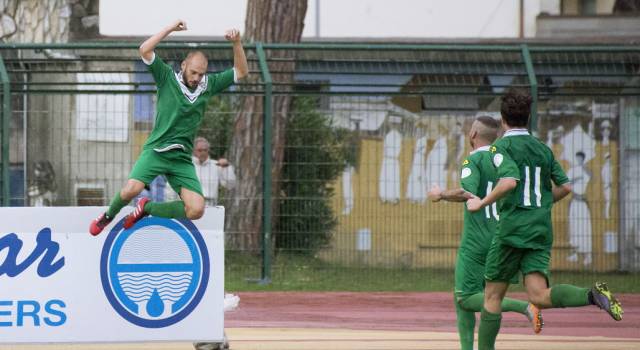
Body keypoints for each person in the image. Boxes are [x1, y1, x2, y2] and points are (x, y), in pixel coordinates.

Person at [466, 89, 623, 350]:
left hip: (511, 230)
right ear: (528, 118)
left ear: (503, 120)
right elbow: (566, 187)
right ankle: (592, 295)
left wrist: (481, 202)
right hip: (539, 230)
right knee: (538, 295)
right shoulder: (543, 149)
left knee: (492, 296)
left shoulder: (499, 147)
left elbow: (508, 181)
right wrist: (541, 202)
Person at [88, 20, 248, 236]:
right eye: (193, 72)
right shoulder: (166, 77)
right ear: (183, 66)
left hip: (181, 158)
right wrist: (170, 29)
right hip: (157, 150)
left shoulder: (207, 86)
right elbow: (144, 49)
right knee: (132, 189)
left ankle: (146, 208)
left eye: (201, 74)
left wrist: (237, 42)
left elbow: (241, 70)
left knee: (196, 209)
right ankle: (107, 216)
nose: (196, 78)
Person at [428, 116, 542, 350]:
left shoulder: (473, 160)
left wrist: (439, 194)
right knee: (484, 296)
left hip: (476, 241)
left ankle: (525, 307)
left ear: (472, 136)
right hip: (501, 237)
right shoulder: (504, 159)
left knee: (465, 298)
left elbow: (467, 193)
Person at [166, 137, 236, 206]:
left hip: (210, 205)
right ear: (193, 150)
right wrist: (171, 204)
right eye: (199, 150)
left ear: (208, 150)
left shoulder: (216, 165)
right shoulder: (185, 165)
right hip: (188, 205)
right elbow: (171, 187)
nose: (203, 153)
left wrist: (226, 167)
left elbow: (230, 185)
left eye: (205, 150)